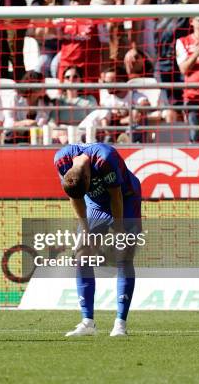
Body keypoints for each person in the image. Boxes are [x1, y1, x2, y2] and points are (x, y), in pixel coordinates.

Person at [54, 143, 141, 337]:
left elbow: (116, 196)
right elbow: (75, 197)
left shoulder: (105, 158)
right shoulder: (61, 161)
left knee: (124, 256)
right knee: (82, 255)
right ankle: (88, 322)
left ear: (88, 177)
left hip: (126, 199)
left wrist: (119, 229)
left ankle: (120, 324)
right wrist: (85, 230)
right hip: (95, 204)